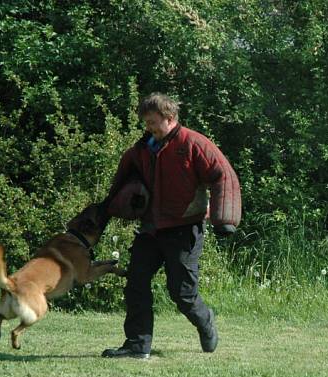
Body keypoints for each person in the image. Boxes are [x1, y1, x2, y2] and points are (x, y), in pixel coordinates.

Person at [101, 92, 235, 360]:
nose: (148, 127)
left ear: (170, 118)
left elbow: (223, 175)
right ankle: (137, 346)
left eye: (152, 122)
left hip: (184, 228)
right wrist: (107, 209)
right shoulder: (143, 149)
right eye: (146, 123)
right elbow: (122, 180)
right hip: (151, 229)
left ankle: (205, 319)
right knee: (136, 282)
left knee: (182, 293)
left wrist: (224, 218)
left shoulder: (194, 143)